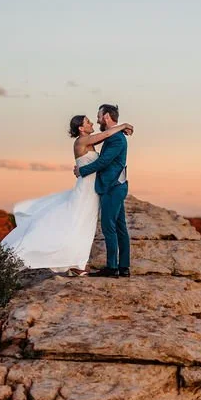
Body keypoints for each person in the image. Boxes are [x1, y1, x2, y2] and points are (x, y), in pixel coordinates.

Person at [0, 111, 133, 274]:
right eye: (88, 122)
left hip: (98, 188)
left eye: (94, 119)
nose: (92, 123)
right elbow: (105, 139)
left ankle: (80, 263)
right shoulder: (83, 141)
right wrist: (124, 126)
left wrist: (121, 128)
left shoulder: (98, 140)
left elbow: (105, 144)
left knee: (86, 224)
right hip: (87, 189)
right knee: (77, 222)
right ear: (81, 128)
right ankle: (78, 262)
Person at [73, 103, 131, 278]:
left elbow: (103, 162)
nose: (97, 119)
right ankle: (124, 267)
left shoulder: (116, 139)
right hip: (115, 185)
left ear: (106, 117)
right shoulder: (114, 136)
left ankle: (112, 267)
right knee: (120, 227)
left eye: (98, 116)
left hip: (112, 187)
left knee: (109, 227)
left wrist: (81, 171)